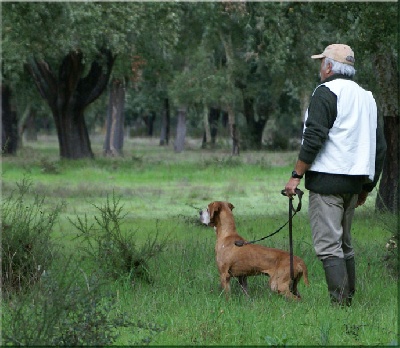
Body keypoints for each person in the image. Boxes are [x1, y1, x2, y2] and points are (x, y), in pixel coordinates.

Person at [284, 44, 387, 306]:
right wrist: (367, 187)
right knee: (344, 244)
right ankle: (348, 301)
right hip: (354, 184)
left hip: (327, 182)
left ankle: (340, 305)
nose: (320, 68)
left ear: (329, 66)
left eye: (322, 63)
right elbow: (380, 147)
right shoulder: (368, 97)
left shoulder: (325, 92)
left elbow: (314, 137)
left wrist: (296, 175)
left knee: (329, 246)